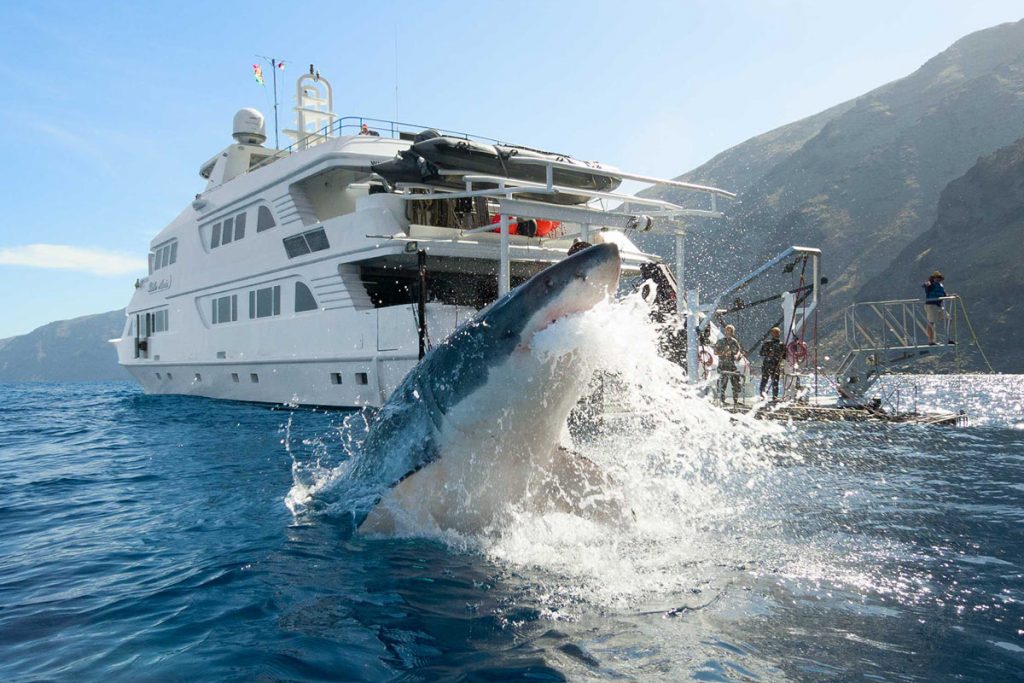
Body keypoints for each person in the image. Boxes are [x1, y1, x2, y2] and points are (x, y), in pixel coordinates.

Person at [715, 324, 743, 405]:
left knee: (736, 383)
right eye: (728, 331)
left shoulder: (734, 342)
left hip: (731, 365)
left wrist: (739, 356)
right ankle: (722, 401)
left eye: (731, 331)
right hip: (722, 365)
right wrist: (723, 353)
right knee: (723, 384)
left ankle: (735, 400)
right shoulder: (720, 341)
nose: (729, 333)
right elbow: (715, 352)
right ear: (725, 331)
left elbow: (737, 352)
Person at [922, 270, 951, 344]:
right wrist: (926, 284)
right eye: (936, 277)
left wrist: (950, 296)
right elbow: (925, 285)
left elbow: (944, 294)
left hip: (938, 305)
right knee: (931, 322)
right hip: (931, 305)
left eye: (939, 277)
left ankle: (947, 338)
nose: (937, 279)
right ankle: (931, 341)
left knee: (948, 319)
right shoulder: (931, 284)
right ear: (933, 278)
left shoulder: (940, 286)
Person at [759, 327, 785, 400]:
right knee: (764, 381)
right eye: (774, 333)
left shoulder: (781, 344)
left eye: (777, 333)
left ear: (779, 334)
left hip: (776, 366)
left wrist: (780, 354)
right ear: (772, 334)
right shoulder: (767, 343)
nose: (776, 334)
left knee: (775, 382)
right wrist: (769, 353)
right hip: (767, 365)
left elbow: (784, 356)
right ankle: (762, 396)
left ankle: (775, 397)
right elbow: (761, 353)